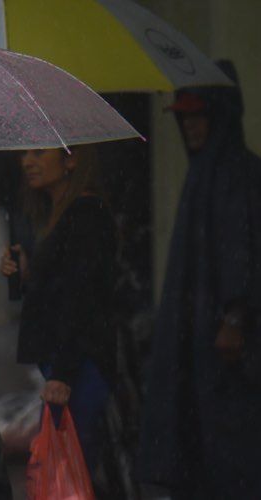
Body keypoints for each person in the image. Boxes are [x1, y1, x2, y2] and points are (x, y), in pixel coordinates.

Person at [138, 60, 261, 499]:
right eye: (185, 117)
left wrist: (233, 315)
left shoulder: (233, 174)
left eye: (198, 115)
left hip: (223, 347)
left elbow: (239, 247)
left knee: (226, 444)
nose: (189, 125)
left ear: (219, 115)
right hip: (205, 341)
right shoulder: (209, 172)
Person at [0, 146, 117, 478]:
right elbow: (60, 289)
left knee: (68, 473)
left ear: (71, 159)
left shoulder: (85, 214)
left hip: (78, 364)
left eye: (38, 152)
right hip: (70, 361)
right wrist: (27, 273)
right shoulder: (59, 213)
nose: (27, 161)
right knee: (64, 472)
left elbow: (81, 297)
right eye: (23, 153)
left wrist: (63, 373)